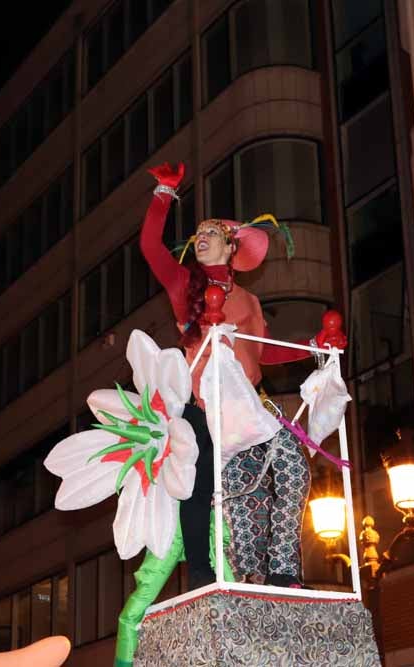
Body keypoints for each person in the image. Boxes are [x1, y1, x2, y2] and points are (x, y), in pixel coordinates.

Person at [141, 161, 348, 589]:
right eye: (198, 233)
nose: (200, 237)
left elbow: (262, 352)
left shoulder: (250, 300)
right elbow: (150, 247)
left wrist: (313, 347)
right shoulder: (185, 285)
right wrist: (164, 193)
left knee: (291, 469)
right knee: (207, 487)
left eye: (211, 232)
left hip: (249, 405)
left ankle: (282, 569)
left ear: (231, 246)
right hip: (204, 407)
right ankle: (205, 569)